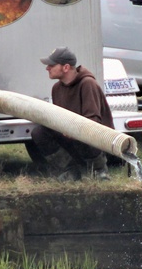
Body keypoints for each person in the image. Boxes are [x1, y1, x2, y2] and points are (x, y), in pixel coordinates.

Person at [31, 47, 115, 181]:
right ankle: (70, 171)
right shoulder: (56, 88)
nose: (47, 68)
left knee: (87, 130)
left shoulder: (88, 84)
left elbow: (93, 122)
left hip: (94, 140)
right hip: (72, 137)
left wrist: (74, 130)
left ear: (66, 67)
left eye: (51, 65)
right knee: (39, 132)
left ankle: (99, 170)